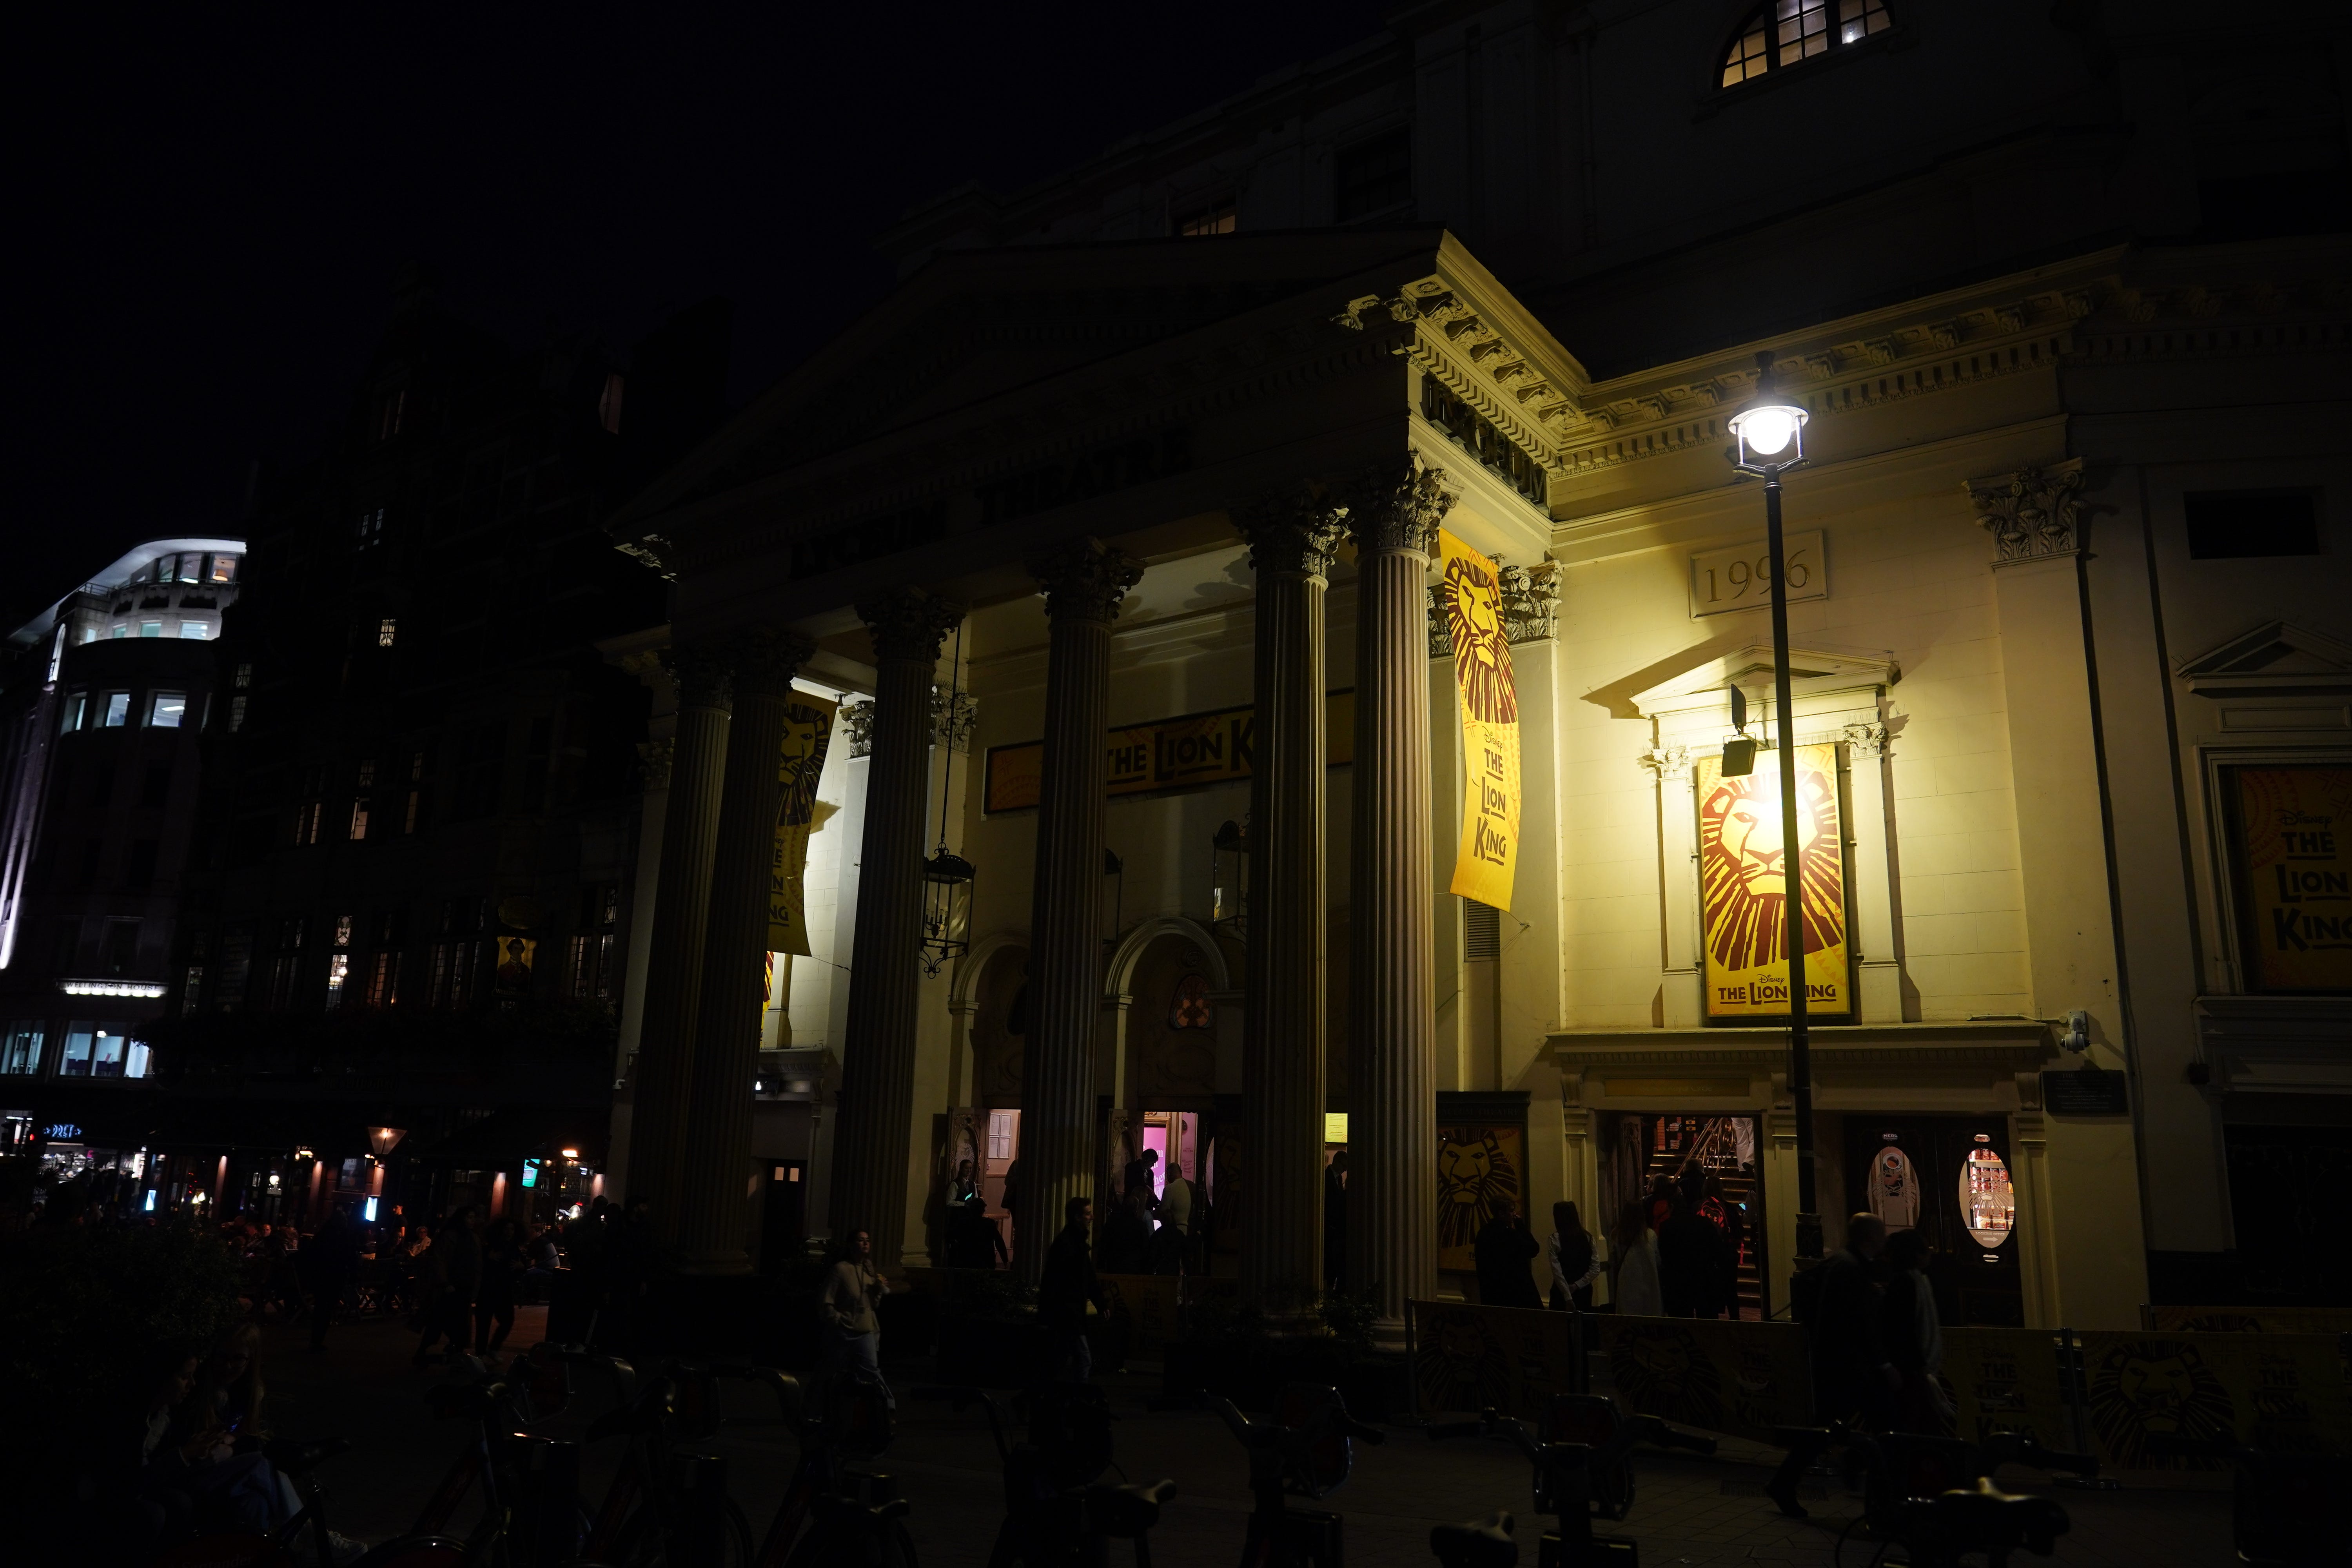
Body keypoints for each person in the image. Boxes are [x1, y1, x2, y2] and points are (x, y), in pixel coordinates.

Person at [1812, 1214, 1898, 1428]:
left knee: (1830, 1419)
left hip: (1839, 1359)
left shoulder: (1843, 1262)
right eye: (1882, 1233)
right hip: (1850, 1361)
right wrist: (1885, 1365)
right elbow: (1862, 1320)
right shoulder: (1851, 1268)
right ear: (1870, 1237)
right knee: (1879, 1417)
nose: (1885, 1238)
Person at [1880, 1228, 1951, 1433]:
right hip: (1912, 1368)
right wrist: (1918, 1366)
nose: (1930, 1253)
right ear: (1915, 1255)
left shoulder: (1910, 1281)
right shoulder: (1909, 1283)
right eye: (1925, 1249)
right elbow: (1905, 1330)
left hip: (1913, 1367)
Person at [818, 1227, 894, 1409]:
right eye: (861, 1240)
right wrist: (835, 1319)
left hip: (865, 1329)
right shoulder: (841, 1270)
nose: (866, 1243)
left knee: (872, 1372)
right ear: (852, 1245)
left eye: (867, 1240)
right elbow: (827, 1298)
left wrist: (878, 1290)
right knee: (832, 1370)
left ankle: (886, 1408)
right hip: (844, 1330)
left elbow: (873, 1305)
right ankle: (819, 1408)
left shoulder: (869, 1271)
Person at [1037, 1196, 1110, 1382]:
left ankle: (1048, 1398)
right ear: (1078, 1217)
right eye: (1088, 1213)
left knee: (1060, 1360)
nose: (1092, 1217)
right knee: (1081, 1359)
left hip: (1066, 1312)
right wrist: (1100, 1303)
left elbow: (1084, 1279)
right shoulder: (1071, 1245)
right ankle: (1076, 1399)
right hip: (1068, 1312)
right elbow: (1082, 1280)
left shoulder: (1069, 1243)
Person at [414, 1207, 482, 1365]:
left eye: (474, 1217)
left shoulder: (473, 1238)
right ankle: (428, 1352)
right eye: (469, 1217)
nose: (472, 1221)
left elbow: (477, 1264)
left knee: (456, 1323)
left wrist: (475, 1287)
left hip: (464, 1285)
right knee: (440, 1320)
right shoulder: (451, 1237)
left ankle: (454, 1354)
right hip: (450, 1285)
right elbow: (439, 1260)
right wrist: (444, 1282)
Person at [1657, 1191, 1728, 1319]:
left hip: (1678, 1280)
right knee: (1707, 1320)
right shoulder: (1704, 1223)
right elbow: (1717, 1248)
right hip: (1704, 1276)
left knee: (1681, 1322)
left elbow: (1664, 1254)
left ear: (1672, 1207)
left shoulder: (1667, 1226)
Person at [303, 1204, 362, 1353]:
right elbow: (350, 1257)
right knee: (326, 1309)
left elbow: (312, 1254)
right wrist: (353, 1275)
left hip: (321, 1277)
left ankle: (316, 1339)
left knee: (321, 1308)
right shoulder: (343, 1237)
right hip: (334, 1277)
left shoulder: (323, 1236)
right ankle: (317, 1340)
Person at [1473, 1200, 1543, 1308]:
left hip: (1492, 1295)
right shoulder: (1509, 1235)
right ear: (1501, 1214)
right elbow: (1533, 1249)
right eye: (1511, 1211)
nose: (1514, 1214)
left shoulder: (1483, 1233)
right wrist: (1520, 1226)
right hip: (1516, 1295)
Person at [475, 1216, 523, 1358]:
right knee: (484, 1323)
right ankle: (482, 1353)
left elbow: (519, 1265)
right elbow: (480, 1262)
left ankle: (492, 1349)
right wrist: (488, 1258)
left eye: (512, 1229)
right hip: (489, 1289)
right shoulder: (491, 1246)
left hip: (504, 1290)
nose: (509, 1232)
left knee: (507, 1321)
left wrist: (521, 1267)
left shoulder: (514, 1247)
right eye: (507, 1229)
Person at [1610, 1199, 1663, 1316]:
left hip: (1627, 1282)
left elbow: (1614, 1261)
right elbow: (1658, 1260)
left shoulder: (1618, 1235)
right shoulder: (1650, 1235)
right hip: (1649, 1282)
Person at [1546, 1201, 1599, 1311]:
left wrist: (1567, 1296)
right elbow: (1595, 1269)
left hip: (1560, 1292)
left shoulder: (1555, 1240)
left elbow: (1557, 1272)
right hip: (1584, 1291)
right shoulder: (1588, 1238)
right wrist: (1577, 1285)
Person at [1154, 1157, 1195, 1276]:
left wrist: (1151, 1214)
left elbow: (1163, 1211)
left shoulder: (1170, 1189)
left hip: (1175, 1233)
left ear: (1170, 1173)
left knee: (1175, 1266)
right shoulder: (1192, 1186)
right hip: (1191, 1231)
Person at [1322, 1152, 1348, 1290]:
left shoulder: (1337, 1179)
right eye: (1344, 1166)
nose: (1345, 1169)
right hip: (1330, 1227)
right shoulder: (1326, 1178)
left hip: (1334, 1228)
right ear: (1337, 1162)